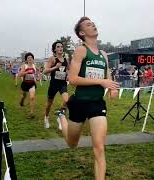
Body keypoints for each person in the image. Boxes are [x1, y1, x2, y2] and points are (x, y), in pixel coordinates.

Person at [55, 17, 119, 180]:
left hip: (97, 105)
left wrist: (111, 87)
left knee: (99, 147)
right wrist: (101, 81)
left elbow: (107, 74)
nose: (93, 25)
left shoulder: (104, 54)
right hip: (79, 104)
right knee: (72, 144)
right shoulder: (81, 51)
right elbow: (73, 79)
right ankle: (61, 117)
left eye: (93, 23)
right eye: (89, 24)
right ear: (82, 33)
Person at [42, 41, 69, 129]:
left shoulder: (66, 59)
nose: (60, 48)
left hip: (62, 84)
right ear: (54, 49)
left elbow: (68, 70)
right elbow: (45, 71)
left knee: (67, 100)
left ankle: (60, 116)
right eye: (58, 47)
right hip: (53, 84)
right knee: (49, 104)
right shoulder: (52, 59)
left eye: (61, 46)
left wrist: (68, 75)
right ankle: (46, 118)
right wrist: (55, 67)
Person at [18, 52, 37, 118]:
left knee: (32, 97)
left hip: (32, 84)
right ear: (26, 59)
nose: (30, 59)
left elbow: (36, 74)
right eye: (28, 58)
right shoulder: (24, 66)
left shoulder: (34, 66)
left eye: (31, 58)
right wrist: (26, 72)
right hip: (25, 83)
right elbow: (20, 74)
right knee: (23, 95)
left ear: (33, 59)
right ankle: (22, 101)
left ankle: (31, 113)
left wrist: (36, 78)